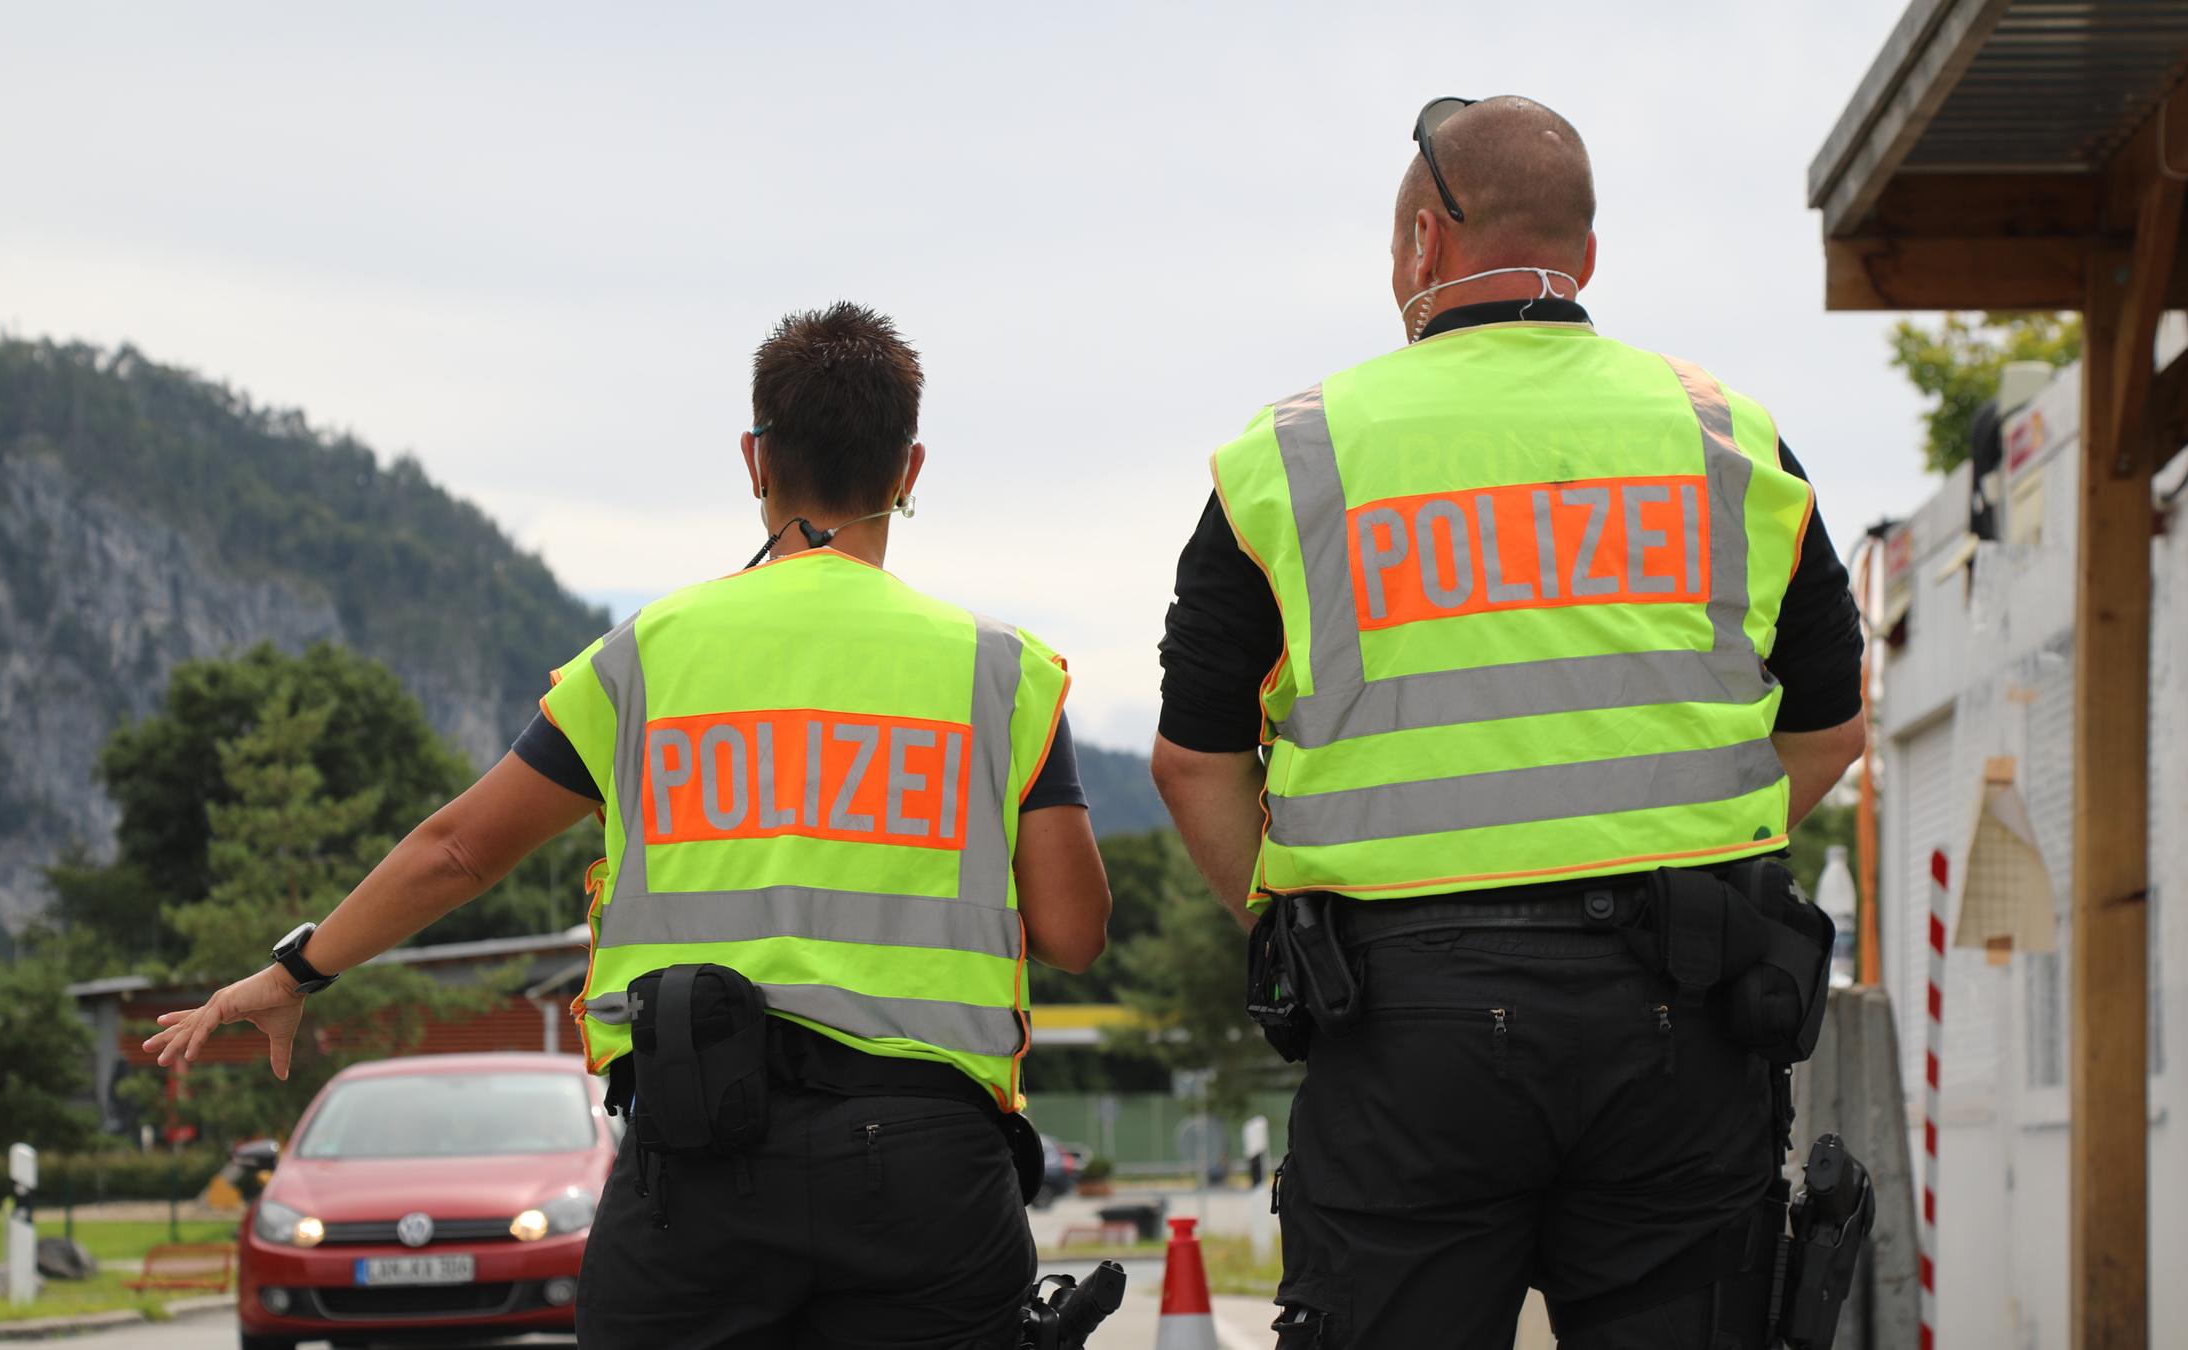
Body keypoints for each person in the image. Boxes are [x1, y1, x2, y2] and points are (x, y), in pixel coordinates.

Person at [146, 302, 1114, 1350]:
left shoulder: (649, 656)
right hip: (927, 1175)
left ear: (755, 459)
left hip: (699, 1167)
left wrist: (296, 973)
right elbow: (1074, 933)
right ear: (910, 469)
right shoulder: (1000, 674)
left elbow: (458, 850)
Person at [1150, 96, 1866, 1349]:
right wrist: (1688, 840)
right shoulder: (1728, 440)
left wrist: (1289, 936)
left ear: (1425, 243)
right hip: (1682, 1017)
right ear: (1585, 254)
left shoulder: (1294, 457)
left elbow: (1192, 761)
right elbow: (1832, 728)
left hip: (1402, 1026)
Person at [1242, 1111, 1270, 1191]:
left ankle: (1258, 1183)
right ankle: (1257, 1183)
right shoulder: (1252, 1126)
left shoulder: (1252, 1125)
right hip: (1255, 1152)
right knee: (1255, 1169)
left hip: (1256, 1151)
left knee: (1256, 1169)